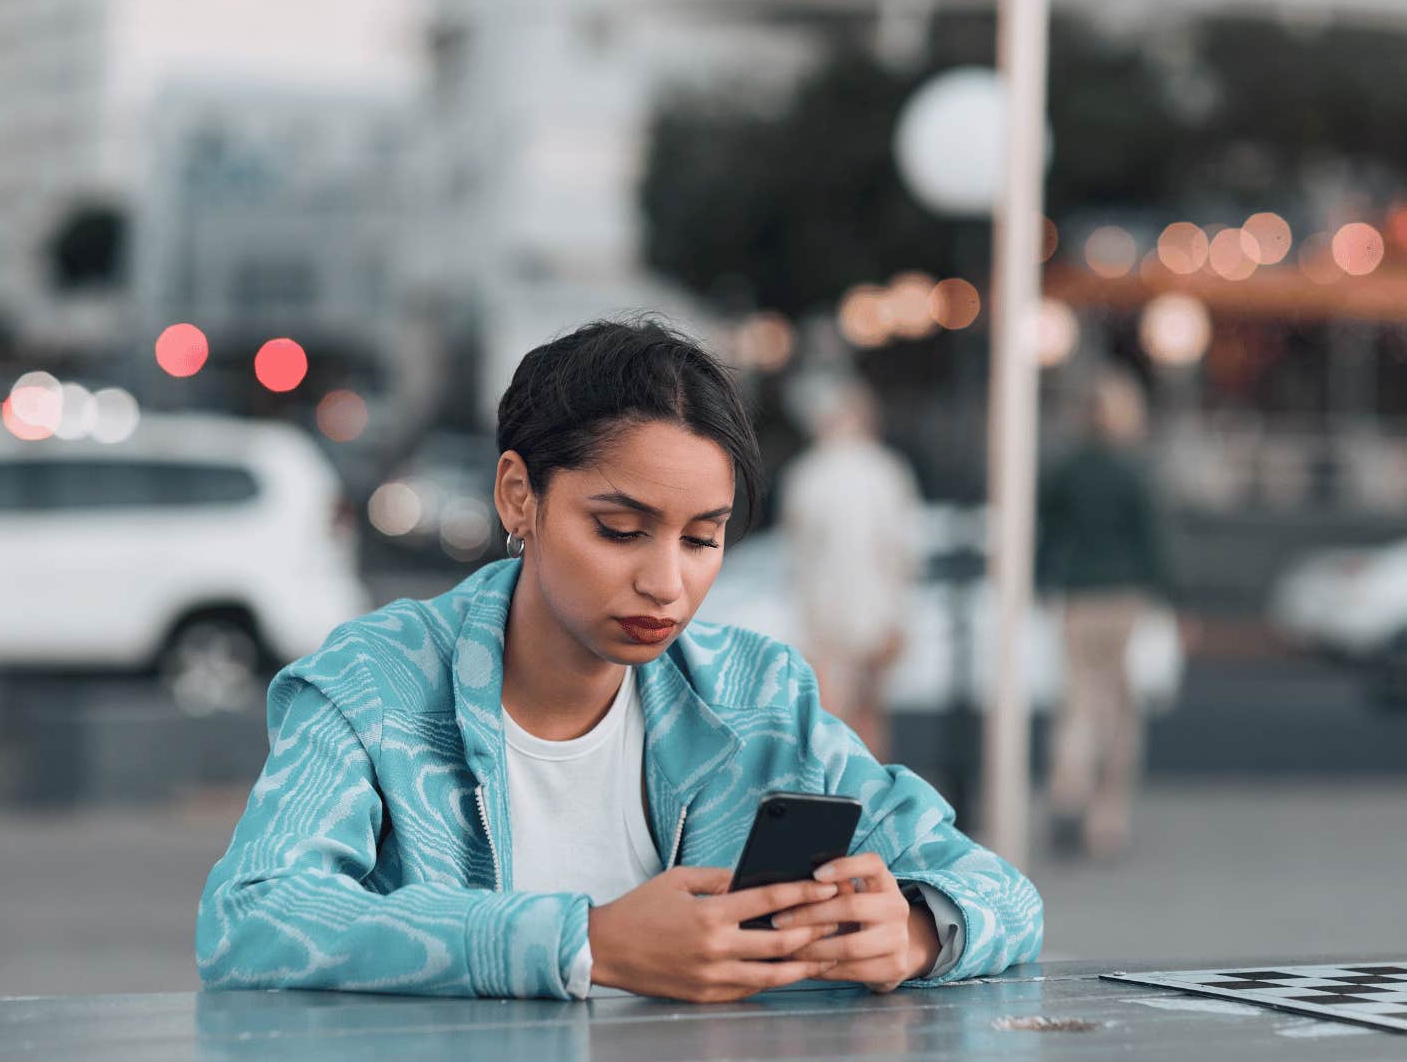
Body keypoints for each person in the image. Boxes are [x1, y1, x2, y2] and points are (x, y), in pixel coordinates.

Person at [197, 318, 1043, 1002]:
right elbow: (252, 918)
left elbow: (1003, 893)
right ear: (518, 495)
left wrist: (918, 932)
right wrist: (588, 942)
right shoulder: (373, 683)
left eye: (703, 538)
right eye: (620, 530)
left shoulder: (756, 695)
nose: (666, 583)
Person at [1033, 369, 1175, 860]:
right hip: (1124, 595)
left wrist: (1041, 581)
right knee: (1119, 707)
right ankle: (1107, 816)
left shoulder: (1067, 470)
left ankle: (1067, 785)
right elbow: (1154, 538)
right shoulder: (1132, 470)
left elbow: (1046, 530)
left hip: (1077, 592)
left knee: (1076, 699)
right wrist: (1173, 596)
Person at [780, 378, 923, 760]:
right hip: (875, 609)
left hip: (825, 611)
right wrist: (899, 615)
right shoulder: (885, 471)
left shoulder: (808, 474)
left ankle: (834, 796)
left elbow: (797, 551)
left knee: (828, 714)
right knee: (869, 710)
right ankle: (869, 796)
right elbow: (901, 551)